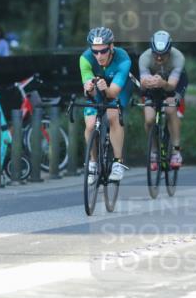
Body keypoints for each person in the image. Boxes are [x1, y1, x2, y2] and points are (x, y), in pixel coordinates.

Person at [80, 27, 132, 183]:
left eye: (103, 51)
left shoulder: (123, 58)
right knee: (90, 125)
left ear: (111, 46)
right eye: (95, 52)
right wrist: (89, 88)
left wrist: (106, 89)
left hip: (117, 89)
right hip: (99, 88)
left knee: (112, 115)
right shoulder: (85, 59)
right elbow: (88, 90)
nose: (99, 56)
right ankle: (93, 162)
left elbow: (112, 94)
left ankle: (118, 162)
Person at [139, 30, 188, 170]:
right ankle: (153, 151)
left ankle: (176, 152)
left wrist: (163, 83)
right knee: (149, 119)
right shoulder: (144, 58)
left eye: (163, 55)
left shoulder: (178, 58)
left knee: (170, 109)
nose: (159, 59)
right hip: (153, 85)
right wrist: (147, 82)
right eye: (156, 54)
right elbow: (143, 81)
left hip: (174, 84)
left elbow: (171, 86)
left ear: (170, 51)